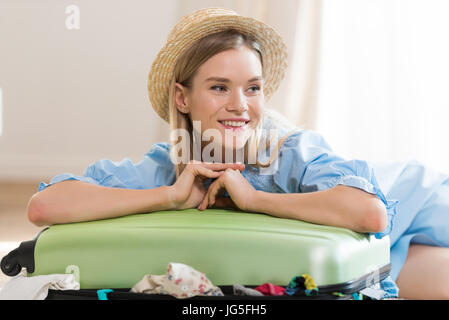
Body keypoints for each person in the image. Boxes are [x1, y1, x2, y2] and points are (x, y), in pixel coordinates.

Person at [26, 8, 449, 300]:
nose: (240, 105)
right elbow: (45, 205)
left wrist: (254, 199)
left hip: (415, 199)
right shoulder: (166, 165)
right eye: (218, 87)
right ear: (183, 97)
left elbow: (371, 212)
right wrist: (169, 197)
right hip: (380, 248)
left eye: (253, 87)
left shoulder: (288, 150)